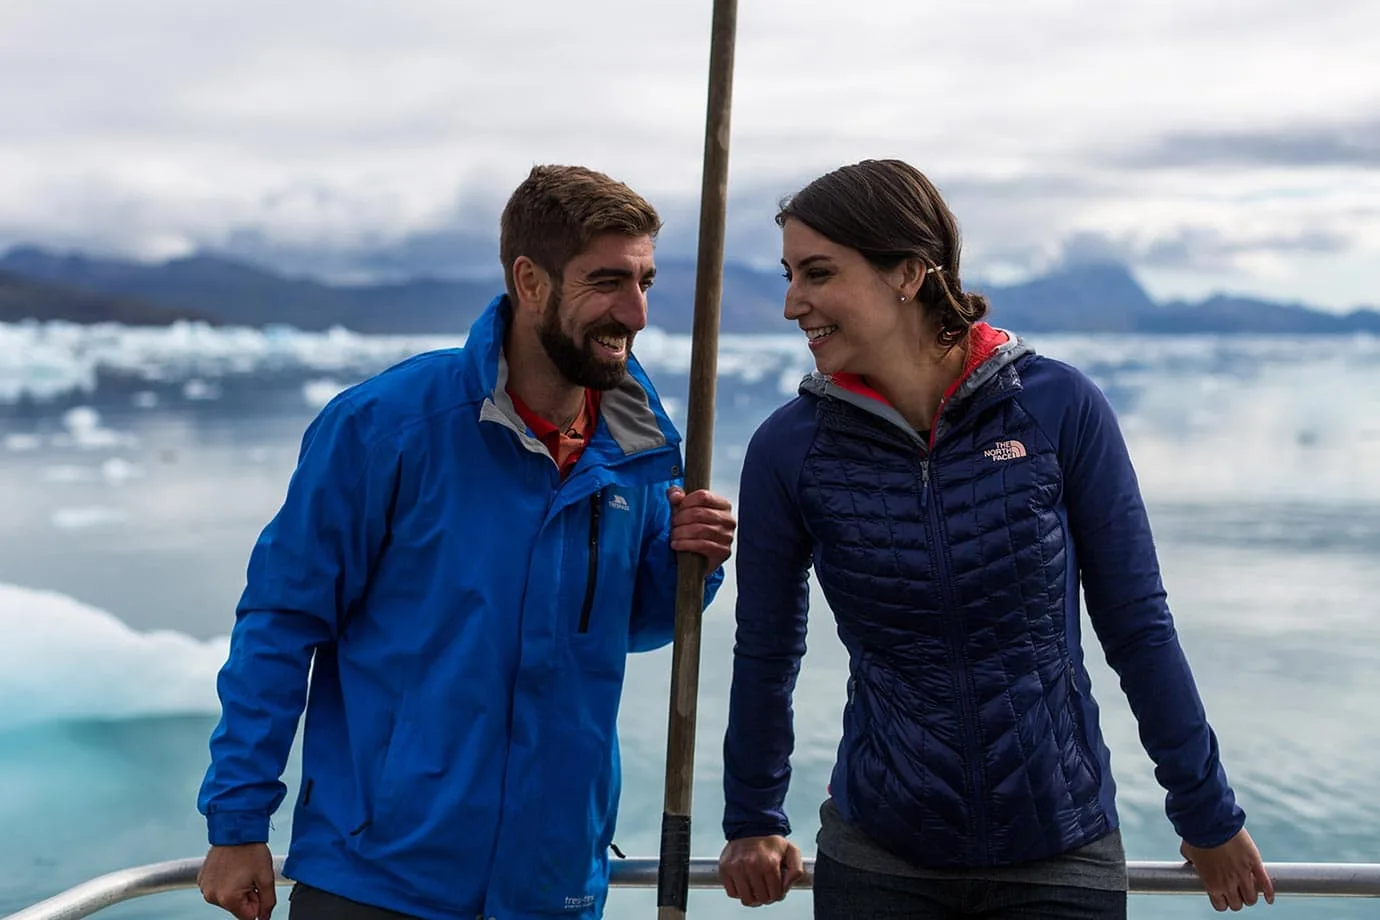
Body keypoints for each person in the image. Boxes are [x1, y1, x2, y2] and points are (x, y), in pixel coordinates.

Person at [716, 159, 1272, 918]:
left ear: (907, 273)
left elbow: (1137, 624)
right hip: (881, 856)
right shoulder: (790, 449)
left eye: (817, 273)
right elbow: (767, 648)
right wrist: (753, 817)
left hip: (1060, 851)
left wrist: (1205, 812)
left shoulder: (1057, 407)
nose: (791, 304)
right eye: (789, 274)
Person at [196, 164, 736, 920]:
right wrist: (238, 820)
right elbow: (282, 622)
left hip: (555, 883)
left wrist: (687, 566)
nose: (636, 312)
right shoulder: (387, 428)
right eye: (608, 281)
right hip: (381, 879)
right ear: (531, 280)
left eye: (645, 281)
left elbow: (631, 627)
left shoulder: (639, 443)